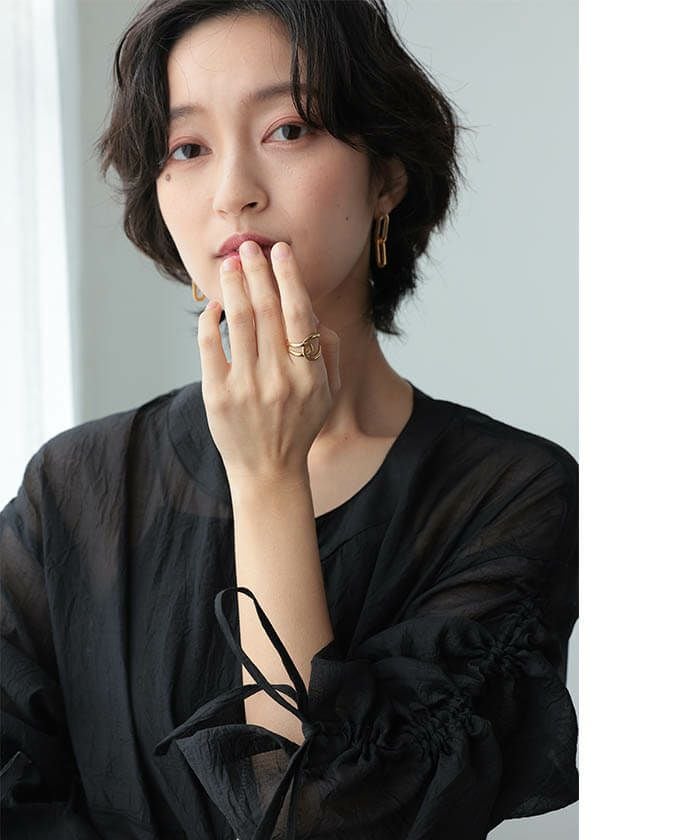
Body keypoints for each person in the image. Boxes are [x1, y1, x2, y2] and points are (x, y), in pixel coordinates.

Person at [0, 1, 579, 838]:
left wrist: (269, 478)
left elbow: (325, 819)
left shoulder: (509, 492)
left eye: (289, 129)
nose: (232, 192)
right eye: (188, 148)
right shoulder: (76, 487)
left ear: (386, 177)